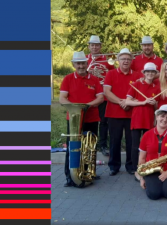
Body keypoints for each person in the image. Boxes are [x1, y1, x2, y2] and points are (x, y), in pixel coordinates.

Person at [59, 51, 104, 187]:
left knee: (90, 147)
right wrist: (76, 108)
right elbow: (62, 98)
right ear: (74, 64)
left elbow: (101, 97)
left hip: (91, 117)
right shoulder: (68, 79)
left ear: (87, 63)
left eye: (83, 63)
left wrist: (86, 106)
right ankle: (69, 176)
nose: (81, 66)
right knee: (72, 147)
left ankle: (89, 173)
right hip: (74, 119)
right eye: (78, 63)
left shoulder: (94, 79)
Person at [103, 48, 143, 175]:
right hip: (114, 113)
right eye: (123, 59)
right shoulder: (110, 74)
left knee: (132, 141)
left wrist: (128, 103)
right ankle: (114, 166)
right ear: (118, 60)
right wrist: (122, 102)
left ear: (131, 61)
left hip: (132, 114)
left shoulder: (137, 75)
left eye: (128, 59)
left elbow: (141, 93)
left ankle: (131, 166)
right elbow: (107, 92)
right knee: (115, 140)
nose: (125, 61)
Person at [138, 105, 167, 200]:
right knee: (154, 195)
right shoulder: (147, 135)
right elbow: (142, 158)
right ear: (157, 117)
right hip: (152, 169)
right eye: (162, 116)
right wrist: (142, 178)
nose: (165, 119)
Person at [126, 62, 161, 179]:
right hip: (137, 119)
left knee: (148, 145)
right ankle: (135, 169)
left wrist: (154, 105)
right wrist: (143, 102)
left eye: (152, 72)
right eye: (148, 72)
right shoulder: (136, 84)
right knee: (135, 145)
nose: (150, 74)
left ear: (155, 74)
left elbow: (156, 107)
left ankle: (146, 167)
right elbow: (127, 101)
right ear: (144, 73)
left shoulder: (156, 88)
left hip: (149, 119)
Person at [86, 35, 115, 156]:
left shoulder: (107, 60)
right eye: (92, 45)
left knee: (103, 121)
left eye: (97, 45)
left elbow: (112, 75)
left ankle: (103, 145)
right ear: (89, 46)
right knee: (90, 121)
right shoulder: (85, 59)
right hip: (89, 95)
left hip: (103, 95)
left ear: (100, 46)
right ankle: (90, 145)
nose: (94, 47)